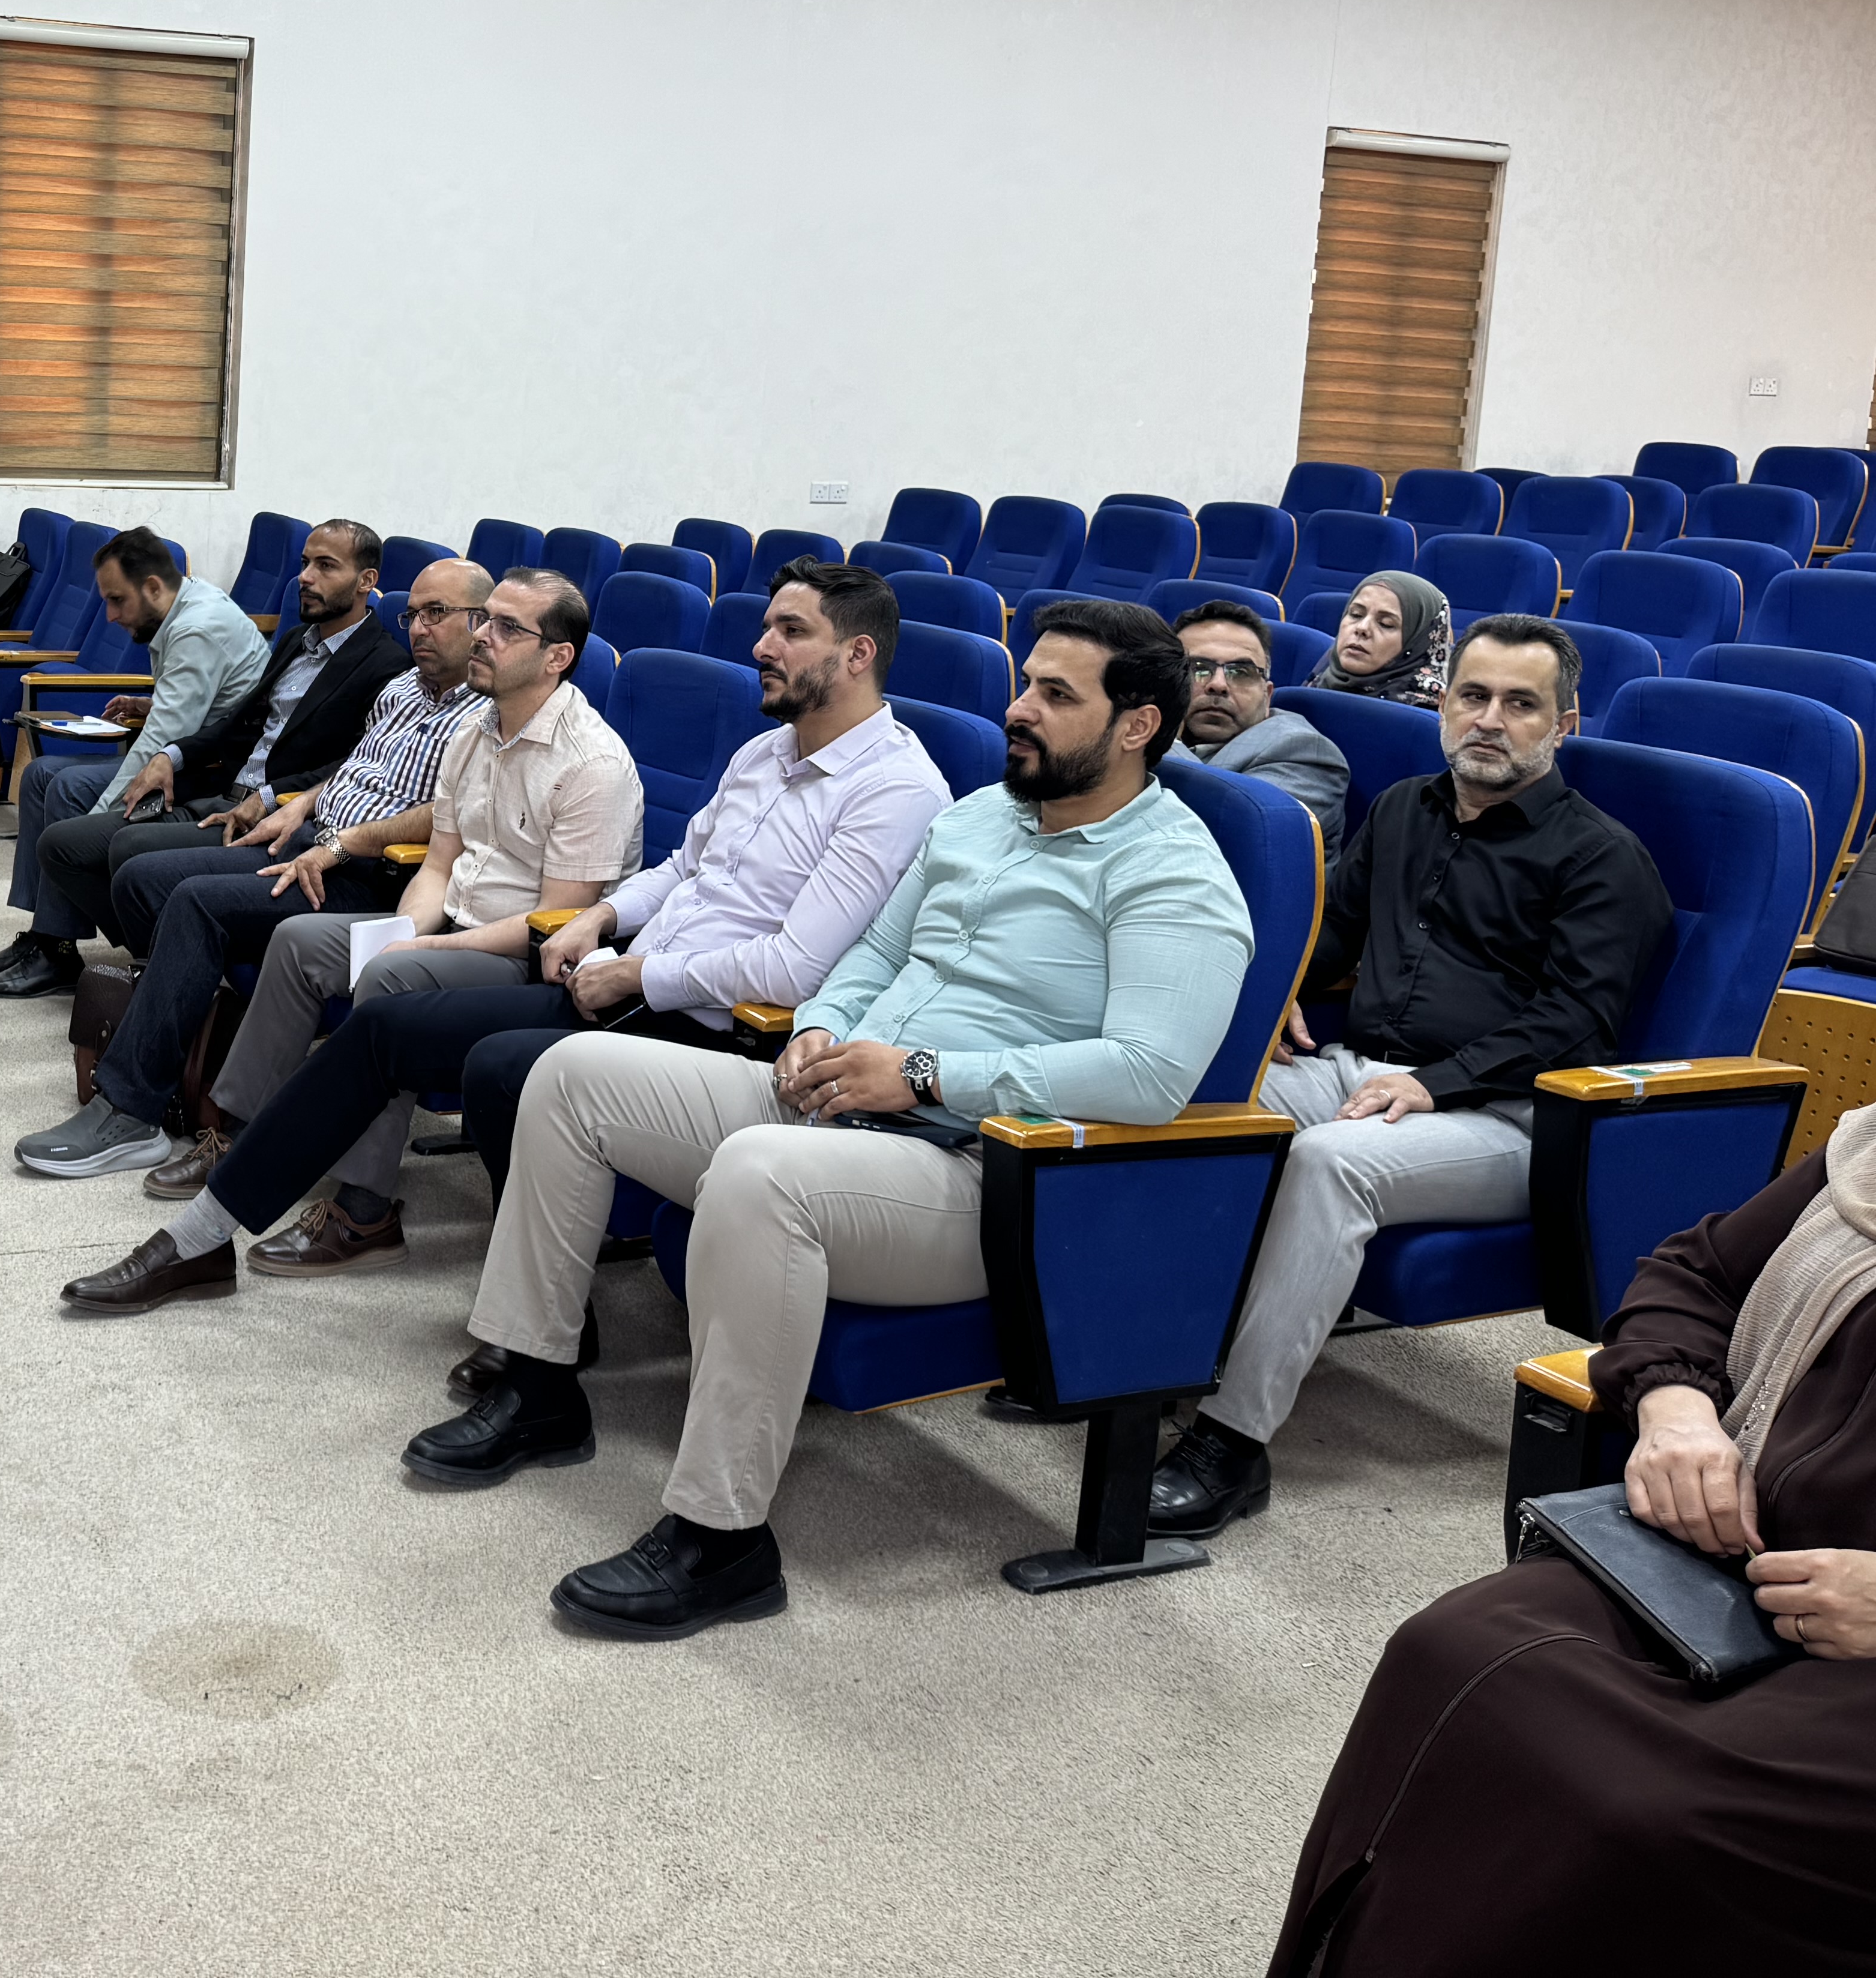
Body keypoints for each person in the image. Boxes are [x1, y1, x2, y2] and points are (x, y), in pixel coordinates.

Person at [403, 602, 1251, 1640]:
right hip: (845, 1099)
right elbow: (874, 954)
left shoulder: (1174, 872)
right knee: (573, 1074)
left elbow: (1150, 1075)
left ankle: (722, 1539)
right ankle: (537, 1384)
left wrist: (925, 1075)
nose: (1018, 708)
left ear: (1137, 725)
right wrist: (820, 1026)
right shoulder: (979, 815)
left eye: (1054, 694)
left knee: (760, 1173)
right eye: (1026, 682)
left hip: (985, 1175)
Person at [122, 559, 950, 1296]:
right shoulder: (765, 753)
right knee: (383, 1029)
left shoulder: (895, 789)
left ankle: (537, 1302)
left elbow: (795, 967)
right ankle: (203, 1237)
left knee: (496, 1065)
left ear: (858, 654)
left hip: (719, 1027)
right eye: (767, 627)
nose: (763, 647)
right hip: (625, 984)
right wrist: (602, 917)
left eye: (791, 632)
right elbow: (680, 871)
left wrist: (632, 970)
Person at [1266, 1108, 1876, 1976]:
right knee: (1444, 1654)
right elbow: (1695, 1273)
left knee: (1649, 1814)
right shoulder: (1868, 1149)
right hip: (1737, 1549)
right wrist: (1675, 1409)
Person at [1148, 614, 1670, 1539]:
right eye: (1474, 696)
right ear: (1443, 704)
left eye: (1521, 705)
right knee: (1186, 1097)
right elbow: (1329, 935)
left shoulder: (1602, 857)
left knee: (1332, 1164)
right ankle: (1136, 1361)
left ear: (1564, 725)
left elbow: (1577, 1024)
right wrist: (1281, 996)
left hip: (1513, 1118)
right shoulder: (1403, 810)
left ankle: (1231, 1445)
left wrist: (1438, 1080)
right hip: (1364, 1070)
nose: (1490, 720)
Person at [56, 565, 646, 1308]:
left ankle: (366, 1211)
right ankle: (236, 1131)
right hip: (453, 924)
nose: (483, 638)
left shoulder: (592, 764)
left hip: (525, 961)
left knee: (393, 977)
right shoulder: (476, 731)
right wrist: (406, 929)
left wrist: (419, 950)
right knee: (303, 941)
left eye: (505, 627)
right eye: (484, 620)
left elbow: (555, 922)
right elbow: (440, 864)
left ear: (557, 656)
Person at [10, 564, 486, 1180]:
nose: (419, 628)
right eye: (413, 614)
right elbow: (352, 769)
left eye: (437, 614)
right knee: (142, 878)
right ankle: (191, 1049)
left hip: (369, 873)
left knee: (196, 903)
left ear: (481, 623)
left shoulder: (485, 715)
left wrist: (342, 843)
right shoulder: (402, 689)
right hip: (307, 836)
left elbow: (450, 813)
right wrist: (300, 804)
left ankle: (131, 1108)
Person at [17, 519, 403, 949]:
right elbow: (237, 723)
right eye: (304, 563)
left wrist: (271, 797)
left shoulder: (384, 664)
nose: (306, 578)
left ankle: (160, 955)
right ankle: (156, 948)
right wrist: (171, 755)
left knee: (126, 846)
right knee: (61, 843)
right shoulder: (298, 640)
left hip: (273, 813)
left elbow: (354, 764)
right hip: (222, 788)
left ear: (366, 581)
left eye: (326, 566)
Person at [0, 526, 267, 1001]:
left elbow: (160, 745)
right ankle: (45, 936)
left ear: (153, 587)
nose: (109, 615)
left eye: (117, 600)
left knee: (68, 790)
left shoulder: (197, 627)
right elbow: (199, 704)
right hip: (190, 753)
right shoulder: (185, 603)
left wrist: (91, 830)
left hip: (213, 773)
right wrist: (150, 703)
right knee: (41, 775)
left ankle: (56, 948)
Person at [1177, 597, 1348, 851]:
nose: (1218, 685)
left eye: (1240, 672)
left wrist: (1167, 740)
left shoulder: (1305, 753)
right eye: (1198, 669)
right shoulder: (1138, 726)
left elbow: (1227, 837)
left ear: (1267, 696)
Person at [1312, 568, 1450, 708]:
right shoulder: (1321, 679)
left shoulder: (1430, 713)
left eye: (1386, 624)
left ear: (1418, 643)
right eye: (1356, 614)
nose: (1362, 628)